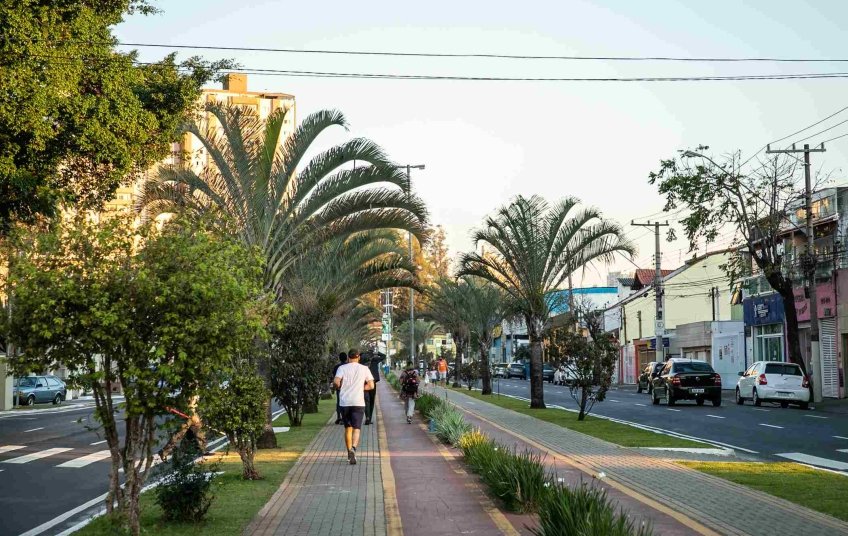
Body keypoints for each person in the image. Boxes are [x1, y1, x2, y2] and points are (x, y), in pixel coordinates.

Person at [333, 349, 375, 465]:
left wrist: (339, 387)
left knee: (348, 428)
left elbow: (336, 382)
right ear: (358, 357)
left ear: (348, 357)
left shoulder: (342, 368)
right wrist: (361, 388)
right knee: (357, 428)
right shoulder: (364, 369)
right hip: (358, 402)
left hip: (345, 402)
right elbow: (371, 385)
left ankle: (349, 452)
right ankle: (354, 449)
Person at [362, 351, 386, 426]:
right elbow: (383, 356)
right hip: (372, 382)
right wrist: (377, 353)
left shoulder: (362, 360)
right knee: (371, 400)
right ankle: (369, 418)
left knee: (366, 400)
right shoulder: (374, 359)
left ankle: (367, 417)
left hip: (364, 383)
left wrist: (362, 353)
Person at [332, 352, 348, 425]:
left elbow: (334, 376)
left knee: (339, 402)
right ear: (346, 358)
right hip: (347, 387)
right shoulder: (348, 366)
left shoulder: (336, 367)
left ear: (339, 358)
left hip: (339, 387)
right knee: (346, 402)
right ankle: (345, 418)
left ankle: (339, 417)